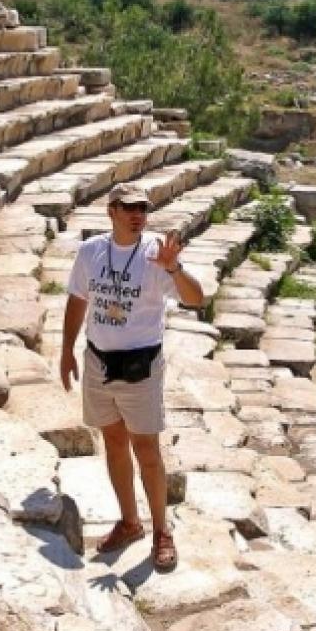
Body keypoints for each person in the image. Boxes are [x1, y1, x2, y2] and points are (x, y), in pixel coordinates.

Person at [59, 183, 204, 572]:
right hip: (98, 362)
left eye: (143, 208)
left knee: (147, 451)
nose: (138, 214)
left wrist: (174, 268)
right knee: (114, 442)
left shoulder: (157, 253)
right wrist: (65, 351)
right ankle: (129, 521)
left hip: (141, 365)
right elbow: (77, 301)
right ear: (112, 211)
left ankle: (162, 532)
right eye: (129, 208)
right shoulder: (92, 252)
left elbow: (196, 299)